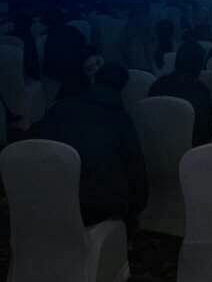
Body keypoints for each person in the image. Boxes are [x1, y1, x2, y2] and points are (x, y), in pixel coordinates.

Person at [33, 62, 148, 231]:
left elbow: (37, 146)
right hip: (101, 206)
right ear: (122, 89)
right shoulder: (120, 120)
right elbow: (135, 169)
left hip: (54, 195)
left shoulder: (60, 108)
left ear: (94, 79)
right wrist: (135, 209)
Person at [149, 40, 212, 146]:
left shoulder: (157, 85)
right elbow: (206, 131)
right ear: (198, 65)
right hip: (191, 150)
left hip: (156, 146)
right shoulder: (200, 90)